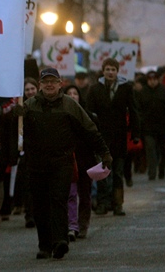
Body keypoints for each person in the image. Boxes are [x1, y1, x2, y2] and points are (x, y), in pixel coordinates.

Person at [22, 67, 112, 260]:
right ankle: (44, 245)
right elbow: (22, 134)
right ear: (40, 85)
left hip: (62, 162)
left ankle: (60, 241)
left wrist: (104, 152)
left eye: (53, 81)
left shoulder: (70, 105)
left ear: (60, 83)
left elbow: (90, 129)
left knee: (58, 199)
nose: (49, 85)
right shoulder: (29, 106)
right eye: (45, 81)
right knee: (40, 205)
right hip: (37, 164)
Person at [87, 58, 140, 216]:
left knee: (117, 172)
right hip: (101, 137)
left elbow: (134, 110)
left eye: (113, 70)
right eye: (108, 69)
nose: (110, 72)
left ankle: (118, 204)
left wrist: (136, 134)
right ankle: (103, 203)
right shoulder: (95, 89)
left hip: (119, 136)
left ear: (118, 72)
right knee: (103, 172)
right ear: (103, 71)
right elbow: (89, 113)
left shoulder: (125, 88)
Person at [64, 84, 100, 240]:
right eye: (69, 93)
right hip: (68, 160)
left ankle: (83, 224)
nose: (72, 96)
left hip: (85, 160)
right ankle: (71, 225)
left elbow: (95, 138)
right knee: (69, 194)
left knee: (84, 194)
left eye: (75, 93)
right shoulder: (60, 115)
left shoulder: (89, 116)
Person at [136, 71, 165, 180]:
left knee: (164, 150)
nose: (152, 82)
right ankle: (152, 172)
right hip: (148, 128)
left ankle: (162, 169)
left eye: (154, 79)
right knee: (150, 149)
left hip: (163, 127)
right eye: (150, 80)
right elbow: (138, 110)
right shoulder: (142, 93)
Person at [13, 77, 38, 228]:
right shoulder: (21, 107)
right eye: (27, 90)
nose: (30, 92)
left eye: (32, 89)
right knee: (28, 185)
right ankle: (29, 214)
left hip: (42, 149)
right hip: (27, 152)